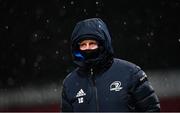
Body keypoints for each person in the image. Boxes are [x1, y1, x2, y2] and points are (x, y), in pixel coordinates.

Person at [61, 18, 160, 112]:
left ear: (102, 44)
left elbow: (151, 109)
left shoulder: (130, 73)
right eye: (83, 45)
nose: (87, 48)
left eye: (92, 43)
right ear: (77, 48)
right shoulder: (70, 83)